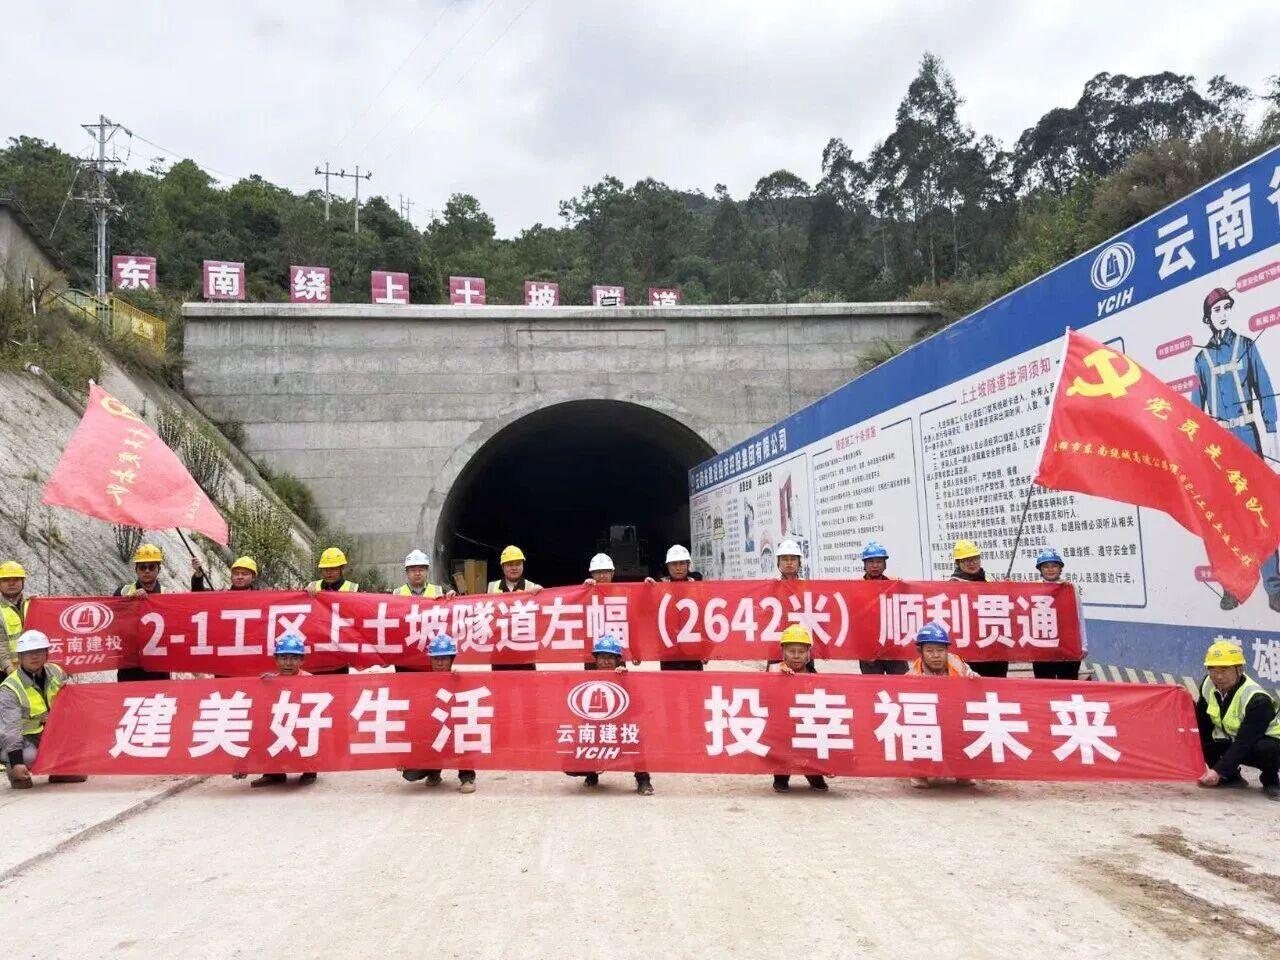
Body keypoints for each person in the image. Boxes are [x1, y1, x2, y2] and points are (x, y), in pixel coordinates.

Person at [1191, 287, 1280, 611]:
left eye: (1227, 307)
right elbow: (1194, 412)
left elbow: (1265, 390)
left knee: (1258, 513)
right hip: (1217, 446)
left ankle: (1274, 587)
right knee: (1224, 520)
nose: (1223, 314)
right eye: (1217, 310)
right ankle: (1232, 586)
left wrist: (1271, 433)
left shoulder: (1246, 346)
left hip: (1247, 437)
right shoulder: (1201, 360)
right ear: (1208, 317)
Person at [565, 634, 652, 796]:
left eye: (610, 657)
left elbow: (639, 707)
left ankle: (643, 779)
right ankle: (591, 771)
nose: (606, 662)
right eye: (602, 657)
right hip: (594, 732)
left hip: (619, 731)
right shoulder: (586, 680)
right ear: (596, 660)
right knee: (569, 766)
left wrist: (624, 680)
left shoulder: (624, 678)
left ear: (618, 660)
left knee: (636, 739)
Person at [1195, 640, 1280, 800]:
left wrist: (1218, 771)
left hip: (1264, 743)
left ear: (1239, 669)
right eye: (1213, 670)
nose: (1218, 676)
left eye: (1224, 670)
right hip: (1233, 739)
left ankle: (1271, 780)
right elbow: (1201, 722)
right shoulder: (1208, 684)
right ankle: (1231, 778)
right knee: (1201, 735)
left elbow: (1244, 742)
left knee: (1267, 749)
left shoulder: (1257, 699)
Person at [2, 630, 85, 789]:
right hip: (24, 738)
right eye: (28, 653)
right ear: (20, 657)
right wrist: (16, 762)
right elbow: (10, 730)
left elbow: (72, 700)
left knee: (80, 736)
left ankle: (59, 771)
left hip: (51, 732)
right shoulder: (10, 687)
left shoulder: (56, 671)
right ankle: (14, 770)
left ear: (47, 654)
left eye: (39, 651)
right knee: (29, 757)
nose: (34, 656)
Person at [235, 633, 318, 788]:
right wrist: (265, 685)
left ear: (302, 660)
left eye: (294, 658)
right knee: (264, 732)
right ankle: (274, 773)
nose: (288, 663)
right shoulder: (271, 680)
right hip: (282, 724)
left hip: (302, 725)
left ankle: (309, 770)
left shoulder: (311, 680)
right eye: (283, 657)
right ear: (276, 659)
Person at [401, 634, 476, 793]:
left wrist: (459, 682)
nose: (440, 663)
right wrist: (405, 756)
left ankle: (467, 776)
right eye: (436, 659)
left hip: (454, 735)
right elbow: (414, 721)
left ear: (452, 660)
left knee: (464, 735)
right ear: (430, 660)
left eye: (444, 659)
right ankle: (434, 770)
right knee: (410, 774)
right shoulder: (422, 684)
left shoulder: (460, 682)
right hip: (432, 736)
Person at [906, 622, 977, 790]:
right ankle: (919, 771)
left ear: (947, 650)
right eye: (930, 651)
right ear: (920, 651)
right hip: (927, 721)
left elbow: (974, 682)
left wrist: (974, 678)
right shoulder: (912, 677)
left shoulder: (957, 664)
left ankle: (962, 770)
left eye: (940, 650)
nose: (936, 655)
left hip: (954, 717)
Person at [768, 624, 827, 793]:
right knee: (781, 748)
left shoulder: (815, 676)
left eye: (801, 651)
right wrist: (780, 676)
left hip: (807, 726)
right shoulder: (775, 670)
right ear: (783, 652)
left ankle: (814, 774)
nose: (796, 656)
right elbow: (766, 689)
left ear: (808, 654)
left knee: (812, 749)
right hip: (783, 727)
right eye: (791, 651)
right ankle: (781, 775)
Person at [949, 540, 1007, 678]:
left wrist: (1005, 589)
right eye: (966, 560)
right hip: (969, 647)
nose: (972, 563)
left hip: (994, 644)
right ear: (958, 563)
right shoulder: (953, 585)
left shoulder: (989, 579)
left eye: (975, 558)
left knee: (997, 683)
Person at [114, 543, 171, 682]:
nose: (147, 571)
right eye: (142, 567)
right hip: (129, 666)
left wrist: (197, 577)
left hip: (159, 667)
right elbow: (114, 618)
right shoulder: (123, 592)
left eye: (151, 567)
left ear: (158, 569)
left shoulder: (168, 595)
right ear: (136, 570)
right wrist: (132, 600)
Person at [646, 545, 706, 671]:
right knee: (669, 681)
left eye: (682, 563)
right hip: (669, 645)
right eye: (674, 564)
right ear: (668, 566)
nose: (678, 568)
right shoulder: (659, 585)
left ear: (688, 564)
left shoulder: (698, 585)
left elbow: (704, 617)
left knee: (695, 681)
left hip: (693, 645)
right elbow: (644, 608)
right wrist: (647, 589)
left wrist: (706, 648)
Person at [1030, 548, 1084, 681]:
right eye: (1045, 566)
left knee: (1068, 684)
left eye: (1054, 566)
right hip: (1043, 647)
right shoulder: (1032, 588)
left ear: (1060, 569)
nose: (1050, 570)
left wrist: (1083, 645)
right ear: (1040, 570)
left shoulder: (1069, 588)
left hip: (1067, 646)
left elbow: (1079, 617)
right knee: (1045, 685)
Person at [488, 546, 542, 672]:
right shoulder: (492, 587)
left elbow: (542, 616)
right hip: (500, 647)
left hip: (524, 648)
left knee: (526, 682)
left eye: (518, 564)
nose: (514, 568)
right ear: (503, 567)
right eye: (510, 564)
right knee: (499, 682)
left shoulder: (532, 587)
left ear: (523, 565)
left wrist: (542, 595)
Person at [858, 541, 908, 676]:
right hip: (869, 649)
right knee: (874, 685)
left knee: (901, 683)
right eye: (871, 562)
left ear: (885, 564)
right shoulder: (857, 587)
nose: (875, 565)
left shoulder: (894, 584)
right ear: (864, 565)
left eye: (879, 561)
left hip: (892, 646)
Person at [1, 560, 31, 675]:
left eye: (16, 579)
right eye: (6, 580)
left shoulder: (33, 604)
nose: (11, 584)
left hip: (34, 667)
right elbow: (1, 643)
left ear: (23, 582)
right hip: (6, 671)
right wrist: (8, 667)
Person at [192, 555, 259, 592]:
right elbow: (198, 593)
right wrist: (198, 573)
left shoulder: (260, 598)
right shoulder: (221, 594)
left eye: (244, 574)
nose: (239, 577)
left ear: (253, 577)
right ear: (231, 576)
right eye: (236, 573)